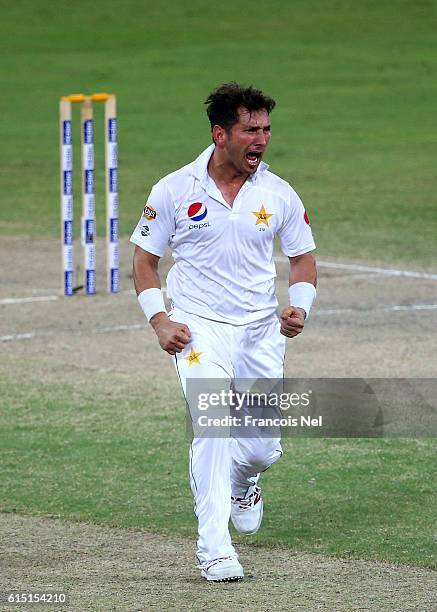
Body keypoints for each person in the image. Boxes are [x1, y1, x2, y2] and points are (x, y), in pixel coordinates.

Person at [131, 82, 317, 582]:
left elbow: (302, 259)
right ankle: (215, 548)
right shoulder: (173, 189)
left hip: (260, 331)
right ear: (220, 134)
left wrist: (298, 308)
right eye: (250, 130)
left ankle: (243, 480)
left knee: (259, 448)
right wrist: (160, 320)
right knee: (213, 426)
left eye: (267, 130)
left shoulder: (278, 193)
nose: (261, 140)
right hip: (198, 328)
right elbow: (145, 261)